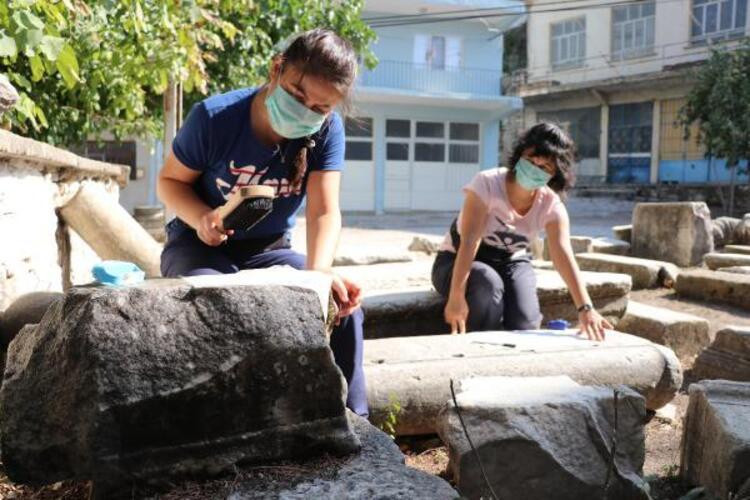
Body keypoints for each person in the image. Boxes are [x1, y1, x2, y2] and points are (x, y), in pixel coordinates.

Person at [156, 29, 368, 416]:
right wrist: (202, 217)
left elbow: (324, 210)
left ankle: (355, 422)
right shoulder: (215, 117)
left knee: (342, 308)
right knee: (218, 305)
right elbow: (169, 182)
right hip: (198, 245)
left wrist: (319, 277)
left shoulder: (327, 131)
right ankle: (225, 424)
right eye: (297, 95)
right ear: (276, 69)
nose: (306, 111)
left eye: (320, 108)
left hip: (269, 251)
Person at [431, 122, 612, 341]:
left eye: (544, 167)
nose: (535, 168)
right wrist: (456, 295)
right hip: (456, 260)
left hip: (511, 260)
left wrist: (585, 308)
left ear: (555, 173)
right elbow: (470, 241)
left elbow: (563, 255)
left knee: (525, 321)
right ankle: (476, 345)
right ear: (519, 157)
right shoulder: (486, 183)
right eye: (530, 160)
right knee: (488, 284)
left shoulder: (552, 206)